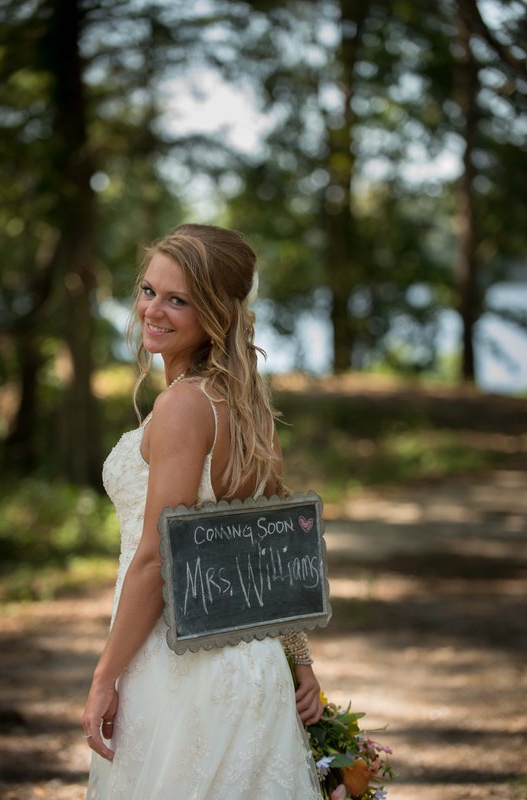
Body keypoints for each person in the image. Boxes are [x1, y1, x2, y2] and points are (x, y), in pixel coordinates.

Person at [82, 223, 324, 799]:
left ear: (214, 310)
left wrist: (103, 676)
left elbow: (154, 561)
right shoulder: (242, 402)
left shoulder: (184, 405)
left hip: (179, 666)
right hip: (250, 663)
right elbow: (269, 544)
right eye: (148, 291)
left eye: (177, 299)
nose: (153, 311)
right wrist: (298, 660)